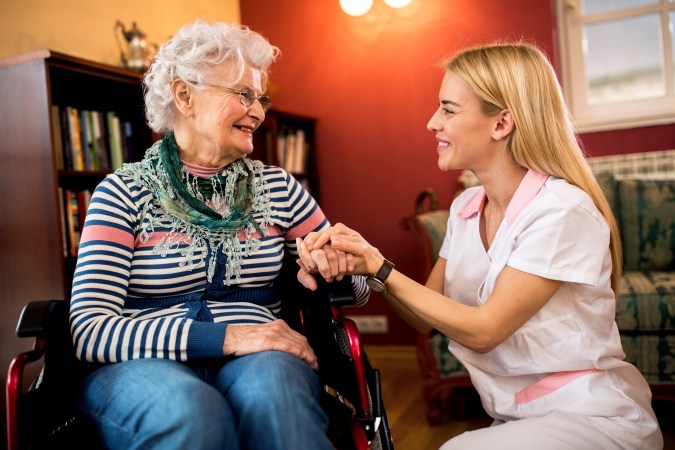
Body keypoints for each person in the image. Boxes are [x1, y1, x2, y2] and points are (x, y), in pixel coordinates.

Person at [297, 42, 663, 449]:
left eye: (449, 110)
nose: (432, 122)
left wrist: (381, 269)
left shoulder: (562, 211)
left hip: (591, 415)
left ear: (501, 123)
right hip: (519, 416)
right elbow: (424, 317)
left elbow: (485, 330)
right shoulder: (467, 207)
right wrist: (365, 263)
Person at [69, 19, 368, 450]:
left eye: (260, 98)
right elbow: (91, 330)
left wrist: (333, 269)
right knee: (188, 413)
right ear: (185, 96)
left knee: (276, 401)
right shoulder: (123, 193)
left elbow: (356, 290)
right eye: (243, 94)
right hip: (142, 364)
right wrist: (230, 336)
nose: (260, 112)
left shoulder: (279, 189)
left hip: (261, 359)